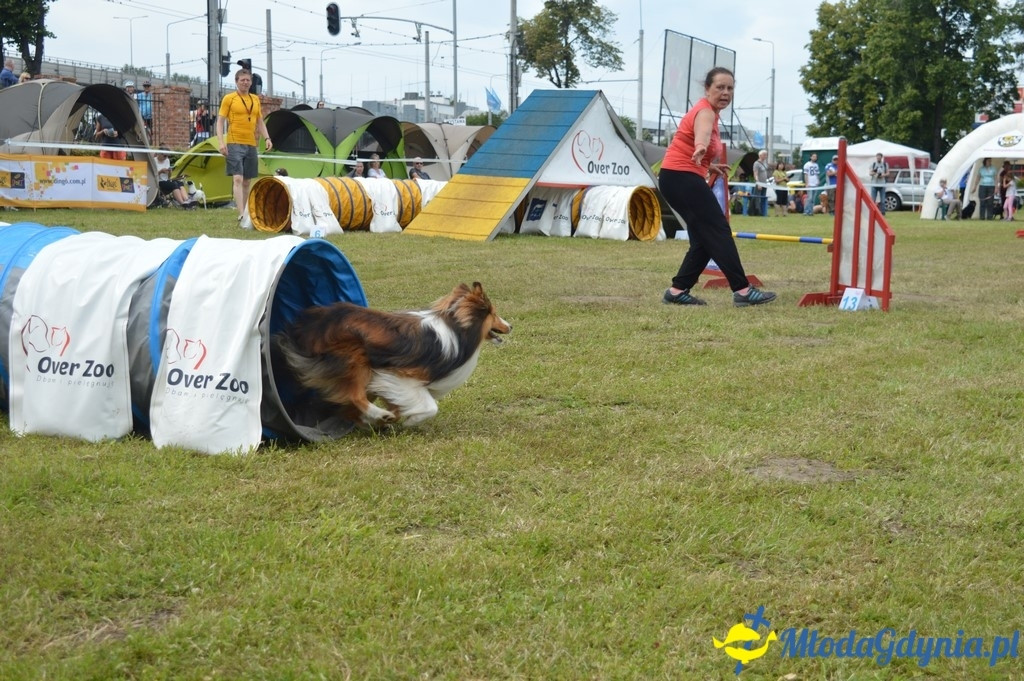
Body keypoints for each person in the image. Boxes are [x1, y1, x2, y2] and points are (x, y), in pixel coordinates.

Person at [658, 67, 776, 307]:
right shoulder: (705, 112)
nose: (725, 93)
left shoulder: (710, 111)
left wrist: (707, 165)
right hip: (681, 177)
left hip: (677, 176)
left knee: (704, 237)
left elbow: (686, 142)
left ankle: (678, 290)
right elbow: (700, 135)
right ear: (707, 89)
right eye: (719, 87)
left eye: (730, 88)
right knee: (718, 229)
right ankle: (742, 291)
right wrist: (700, 148)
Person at [216, 68, 272, 222]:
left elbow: (260, 121)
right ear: (236, 82)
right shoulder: (229, 98)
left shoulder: (255, 99)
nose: (245, 83)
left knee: (247, 180)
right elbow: (220, 122)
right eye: (242, 80)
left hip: (251, 143)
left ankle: (247, 212)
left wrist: (267, 138)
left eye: (248, 80)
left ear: (251, 82)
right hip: (234, 142)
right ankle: (240, 213)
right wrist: (221, 142)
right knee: (238, 178)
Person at [752, 149, 769, 217]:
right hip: (759, 183)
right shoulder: (756, 163)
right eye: (764, 155)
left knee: (763, 198)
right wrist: (758, 183)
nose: (766, 156)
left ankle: (763, 212)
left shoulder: (765, 163)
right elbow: (755, 174)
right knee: (757, 198)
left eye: (766, 155)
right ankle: (757, 211)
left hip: (765, 183)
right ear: (760, 155)